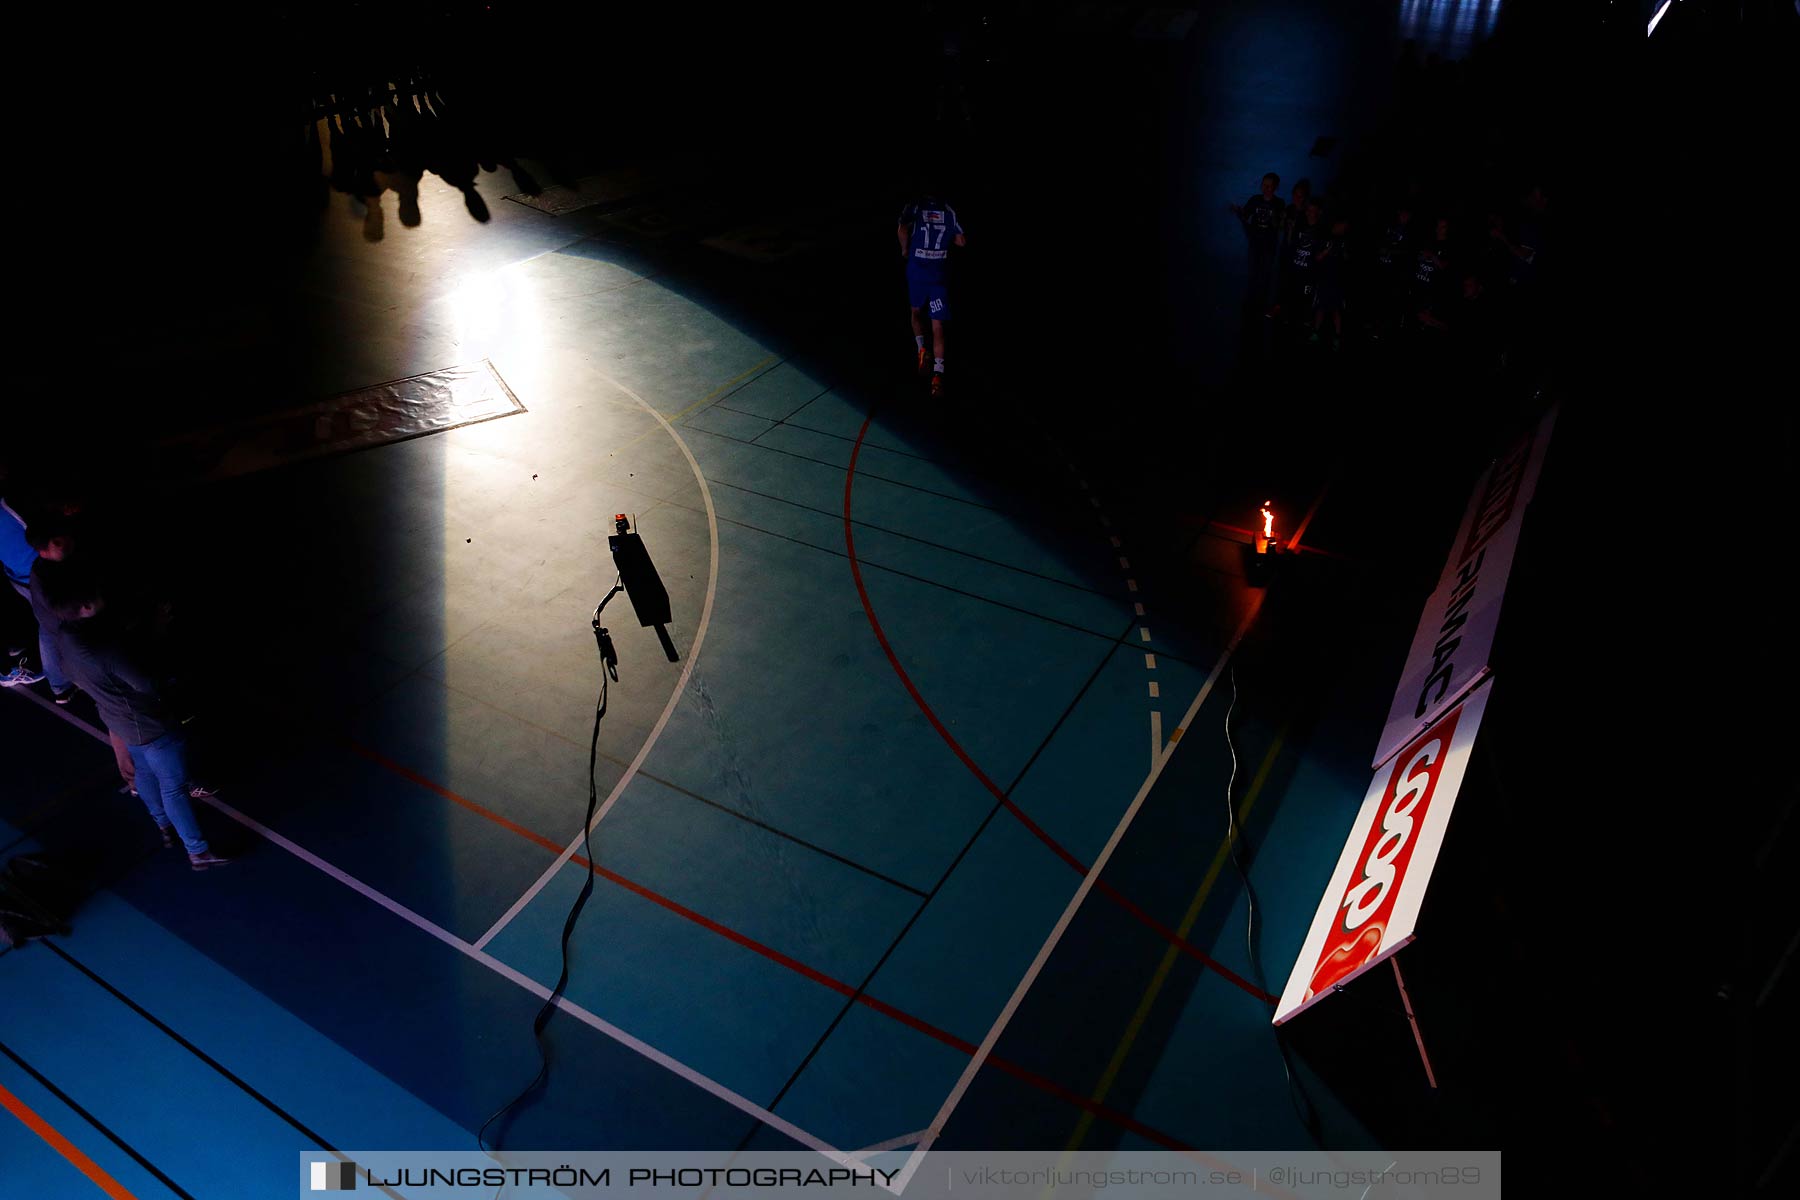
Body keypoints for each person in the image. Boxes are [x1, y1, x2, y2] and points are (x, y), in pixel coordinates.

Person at [40, 565, 233, 871]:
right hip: (151, 725)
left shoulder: (64, 636)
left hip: (117, 720)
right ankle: (197, 851)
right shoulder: (105, 650)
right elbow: (145, 683)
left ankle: (163, 826)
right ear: (87, 607)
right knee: (174, 788)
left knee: (142, 774)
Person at [898, 189, 967, 397]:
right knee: (938, 325)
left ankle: (921, 349)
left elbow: (902, 228)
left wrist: (904, 249)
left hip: (918, 271)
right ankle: (938, 373)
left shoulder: (915, 205)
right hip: (938, 274)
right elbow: (961, 241)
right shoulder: (949, 210)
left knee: (916, 312)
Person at [1230, 172, 1285, 310]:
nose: (1265, 188)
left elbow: (1279, 226)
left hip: (1269, 245)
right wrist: (1238, 211)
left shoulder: (1279, 203)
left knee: (1265, 274)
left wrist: (1276, 219)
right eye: (1264, 184)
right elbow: (1245, 215)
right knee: (1253, 273)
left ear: (1275, 187)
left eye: (1269, 185)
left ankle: (1262, 303)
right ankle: (1251, 302)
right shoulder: (1255, 199)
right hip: (1255, 243)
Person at [1280, 197, 1326, 329]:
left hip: (1309, 273)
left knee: (1305, 299)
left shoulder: (1321, 230)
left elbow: (1320, 255)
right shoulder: (1300, 225)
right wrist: (1289, 230)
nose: (1309, 213)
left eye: (1312, 211)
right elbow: (1290, 244)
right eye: (1308, 210)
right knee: (1291, 295)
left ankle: (1304, 322)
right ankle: (1288, 319)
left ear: (1318, 212)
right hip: (1295, 269)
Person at [1311, 216, 1352, 348]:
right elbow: (1317, 258)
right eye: (1342, 226)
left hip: (1338, 280)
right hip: (1323, 279)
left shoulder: (1344, 240)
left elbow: (1347, 260)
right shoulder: (1324, 237)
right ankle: (1315, 332)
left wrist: (1345, 253)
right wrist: (1326, 251)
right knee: (1321, 307)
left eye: (1346, 227)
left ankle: (1337, 336)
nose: (1344, 229)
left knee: (1336, 309)